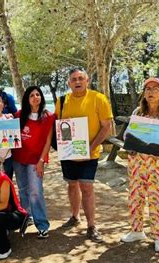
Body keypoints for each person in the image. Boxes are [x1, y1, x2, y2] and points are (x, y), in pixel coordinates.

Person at [120, 78, 159, 253]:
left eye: (155, 88)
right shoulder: (138, 112)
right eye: (148, 88)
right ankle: (136, 230)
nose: (151, 92)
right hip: (137, 164)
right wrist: (132, 147)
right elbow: (127, 136)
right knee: (136, 197)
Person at [55, 68, 113, 243]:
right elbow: (59, 125)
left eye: (81, 78)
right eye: (74, 79)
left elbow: (106, 126)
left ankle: (91, 226)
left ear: (87, 80)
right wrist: (65, 147)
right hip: (69, 154)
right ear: (69, 83)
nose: (77, 82)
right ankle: (75, 217)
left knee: (87, 188)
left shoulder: (99, 99)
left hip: (91, 153)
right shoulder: (62, 101)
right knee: (72, 185)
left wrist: (90, 147)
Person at [12, 86, 55, 239]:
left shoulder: (49, 117)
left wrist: (41, 160)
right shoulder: (18, 115)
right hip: (19, 159)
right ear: (27, 99)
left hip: (36, 160)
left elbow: (48, 141)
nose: (35, 97)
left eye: (38, 94)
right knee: (23, 190)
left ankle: (42, 225)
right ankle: (26, 217)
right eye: (32, 95)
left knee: (36, 191)